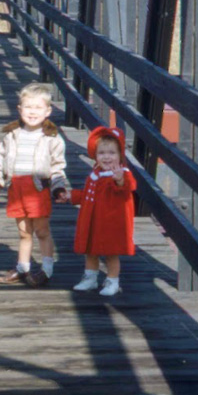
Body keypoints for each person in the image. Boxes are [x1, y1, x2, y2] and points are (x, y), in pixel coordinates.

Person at [0, 82, 69, 288]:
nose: (32, 112)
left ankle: (47, 269)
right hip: (17, 188)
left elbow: (57, 166)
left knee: (41, 231)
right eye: (28, 107)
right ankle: (23, 267)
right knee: (24, 231)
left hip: (38, 188)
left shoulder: (52, 138)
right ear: (20, 109)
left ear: (48, 111)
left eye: (38, 108)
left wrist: (59, 187)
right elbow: (1, 159)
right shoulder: (11, 135)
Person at [69, 126, 136, 297]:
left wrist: (119, 179)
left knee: (111, 253)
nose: (107, 157)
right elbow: (88, 194)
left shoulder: (122, 173)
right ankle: (90, 279)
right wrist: (72, 196)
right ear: (95, 155)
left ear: (120, 155)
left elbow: (128, 187)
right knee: (90, 251)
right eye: (102, 153)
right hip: (93, 220)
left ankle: (112, 280)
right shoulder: (96, 172)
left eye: (112, 153)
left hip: (110, 222)